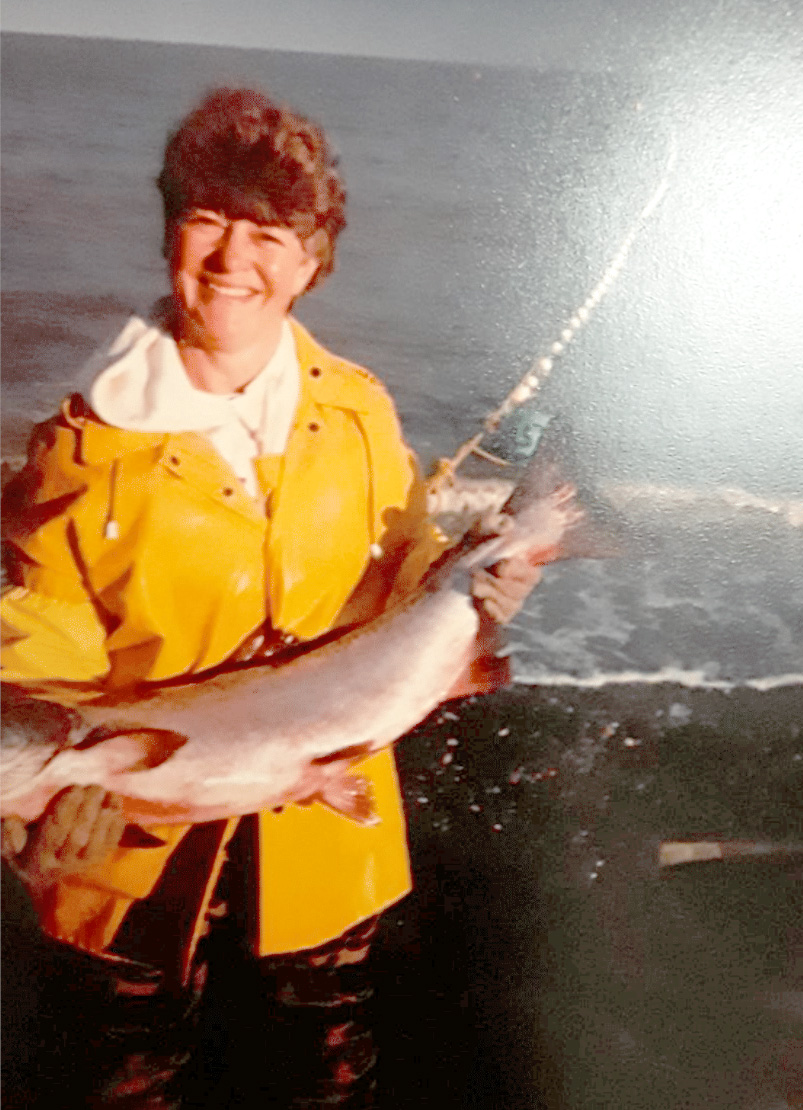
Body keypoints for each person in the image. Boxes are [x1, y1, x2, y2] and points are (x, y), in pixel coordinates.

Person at [1, 87, 542, 1108]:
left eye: (267, 233)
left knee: (320, 1078)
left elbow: (409, 562)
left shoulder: (358, 409)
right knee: (120, 1083)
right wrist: (27, 820)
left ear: (309, 261)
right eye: (206, 220)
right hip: (131, 848)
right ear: (169, 232)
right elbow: (36, 649)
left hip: (326, 837)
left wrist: (482, 592)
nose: (231, 259)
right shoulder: (75, 450)